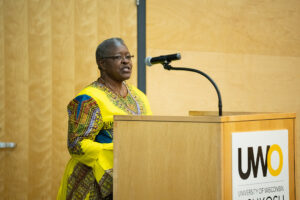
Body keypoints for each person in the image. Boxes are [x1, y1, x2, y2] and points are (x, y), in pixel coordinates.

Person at [57, 38, 152, 200]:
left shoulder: (139, 97)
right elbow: (76, 144)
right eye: (118, 57)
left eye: (128, 57)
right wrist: (117, 152)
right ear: (102, 63)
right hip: (92, 183)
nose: (125, 62)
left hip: (131, 178)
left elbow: (150, 133)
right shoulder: (88, 98)